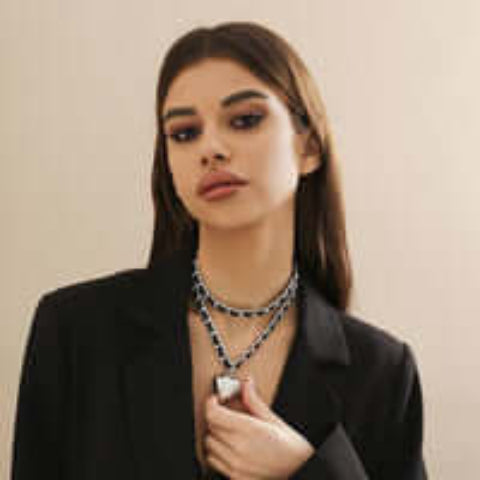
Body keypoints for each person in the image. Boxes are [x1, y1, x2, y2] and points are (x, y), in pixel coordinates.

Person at [11, 21, 428, 479]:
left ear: (309, 146)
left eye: (245, 120)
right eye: (184, 133)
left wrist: (310, 472)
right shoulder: (75, 332)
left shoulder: (383, 372)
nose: (210, 148)